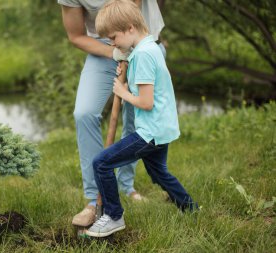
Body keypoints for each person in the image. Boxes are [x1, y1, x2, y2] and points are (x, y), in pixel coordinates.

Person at [86, 0, 198, 238]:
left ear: (129, 28)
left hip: (149, 132)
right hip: (162, 128)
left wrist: (122, 92)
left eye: (114, 38)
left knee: (101, 163)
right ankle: (191, 209)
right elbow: (146, 89)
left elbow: (146, 102)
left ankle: (114, 217)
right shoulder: (148, 47)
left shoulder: (143, 56)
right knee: (159, 173)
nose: (113, 44)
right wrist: (127, 79)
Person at [57, 0, 166, 228]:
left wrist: (129, 52)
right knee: (84, 113)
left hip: (144, 43)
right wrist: (116, 53)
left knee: (135, 121)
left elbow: (130, 9)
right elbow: (76, 35)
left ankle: (126, 186)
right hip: (105, 46)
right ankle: (93, 200)